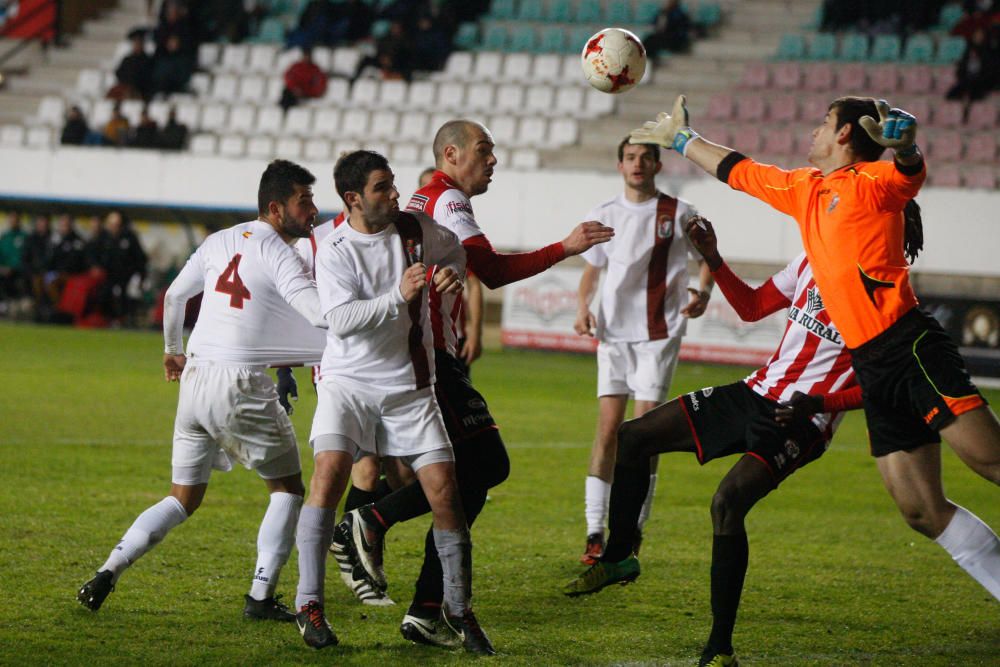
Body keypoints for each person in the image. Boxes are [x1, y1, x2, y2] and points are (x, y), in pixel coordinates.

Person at [629, 96, 1000, 605]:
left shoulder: (871, 182)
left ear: (845, 134)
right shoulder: (805, 189)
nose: (814, 131)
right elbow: (739, 171)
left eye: (824, 122)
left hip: (909, 345)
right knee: (920, 511)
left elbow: (905, 181)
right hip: (871, 362)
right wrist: (682, 141)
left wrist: (908, 151)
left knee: (989, 461)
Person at [330, 120, 614, 650]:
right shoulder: (448, 200)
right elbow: (493, 269)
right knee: (486, 464)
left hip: (426, 357)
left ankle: (426, 608)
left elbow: (464, 270)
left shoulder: (423, 203)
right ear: (452, 154)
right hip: (431, 361)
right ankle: (370, 519)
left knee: (471, 482)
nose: (493, 160)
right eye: (484, 151)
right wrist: (566, 246)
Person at [563, 213, 866, 667]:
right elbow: (751, 307)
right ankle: (621, 556)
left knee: (727, 503)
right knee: (633, 436)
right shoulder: (810, 261)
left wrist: (818, 406)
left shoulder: (886, 296)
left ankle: (720, 647)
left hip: (801, 420)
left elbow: (879, 386)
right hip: (755, 392)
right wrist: (714, 258)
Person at [77, 160, 328, 624]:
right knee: (289, 490)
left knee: (181, 498)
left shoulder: (220, 240)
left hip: (194, 380)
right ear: (276, 208)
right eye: (304, 201)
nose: (312, 210)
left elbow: (174, 297)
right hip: (239, 383)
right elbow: (318, 313)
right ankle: (259, 595)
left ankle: (108, 570)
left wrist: (173, 351)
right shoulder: (277, 250)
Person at [294, 149, 492, 653]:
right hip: (349, 383)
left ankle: (458, 610)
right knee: (329, 474)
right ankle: (309, 602)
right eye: (383, 187)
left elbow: (457, 254)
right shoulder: (334, 246)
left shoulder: (419, 229)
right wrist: (398, 296)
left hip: (410, 385)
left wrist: (447, 275)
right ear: (353, 199)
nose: (395, 194)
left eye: (393, 183)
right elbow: (338, 320)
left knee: (446, 491)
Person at [573, 138, 713, 565]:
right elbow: (592, 270)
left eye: (645, 157)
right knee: (607, 430)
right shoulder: (604, 214)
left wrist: (703, 289)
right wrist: (582, 307)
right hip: (614, 334)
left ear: (656, 164)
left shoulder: (681, 212)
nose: (637, 164)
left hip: (659, 332)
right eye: (630, 157)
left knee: (644, 435)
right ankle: (595, 532)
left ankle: (632, 530)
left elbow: (709, 255)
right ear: (620, 165)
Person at [279, 47, 328, 112]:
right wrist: (294, 88)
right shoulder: (296, 66)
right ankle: (285, 111)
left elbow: (319, 85)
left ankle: (287, 112)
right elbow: (288, 77)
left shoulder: (315, 70)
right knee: (286, 93)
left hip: (307, 93)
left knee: (289, 98)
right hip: (294, 92)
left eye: (308, 56)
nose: (306, 58)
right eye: (305, 56)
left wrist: (306, 92)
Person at [0, 212, 27, 315]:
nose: (13, 221)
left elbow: (24, 257)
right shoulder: (5, 237)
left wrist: (13, 267)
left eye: (15, 219)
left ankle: (10, 305)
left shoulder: (24, 237)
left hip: (18, 271)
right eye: (11, 218)